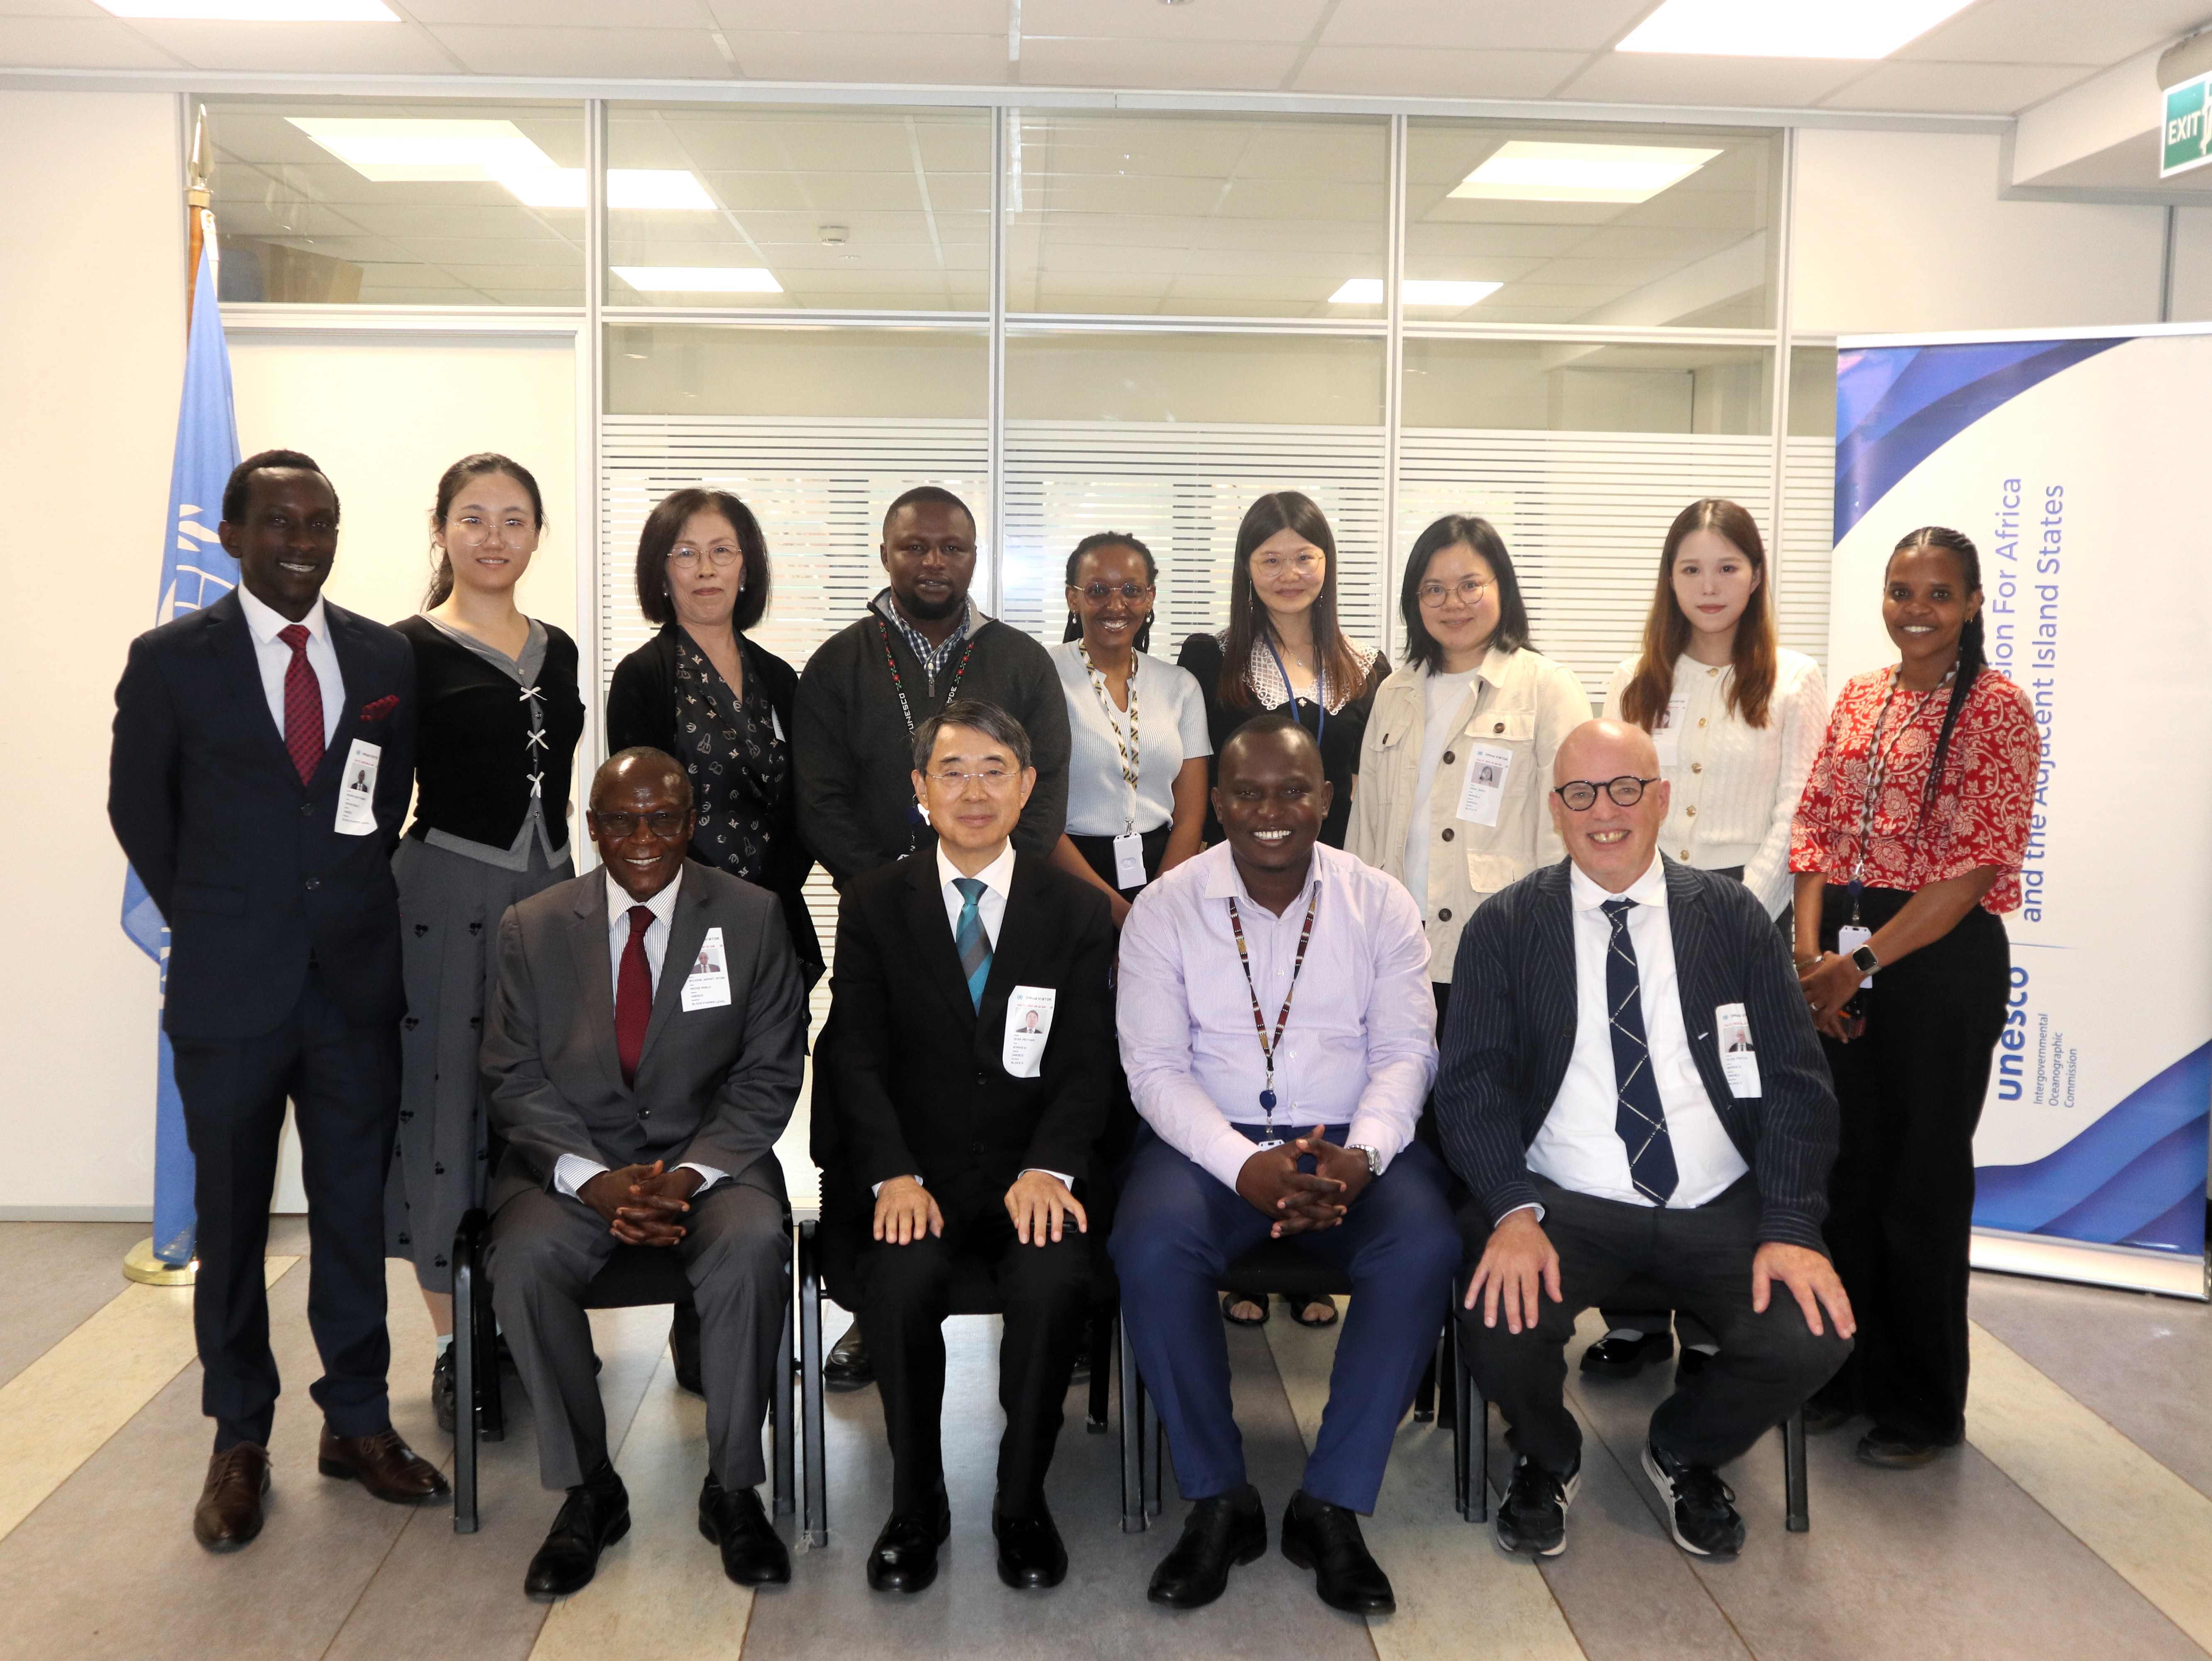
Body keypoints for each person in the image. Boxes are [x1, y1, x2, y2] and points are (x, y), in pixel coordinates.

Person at [108, 449, 447, 1552]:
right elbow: (139, 813)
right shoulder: (172, 662)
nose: (304, 544)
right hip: (231, 990)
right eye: (282, 525)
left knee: (352, 1214)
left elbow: (379, 801)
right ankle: (237, 1438)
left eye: (324, 525)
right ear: (234, 536)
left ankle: (354, 1420)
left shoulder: (382, 653)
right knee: (236, 1219)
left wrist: (322, 912)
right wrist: (217, 919)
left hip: (351, 989)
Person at [1438, 720, 1853, 1563]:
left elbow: (1799, 1084)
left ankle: (1687, 1446)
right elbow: (1471, 1084)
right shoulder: (1507, 926)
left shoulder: (1732, 918)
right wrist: (1513, 1210)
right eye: (1581, 793)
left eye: (1626, 787)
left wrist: (1792, 1227)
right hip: (1565, 1199)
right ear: (1556, 810)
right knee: (1496, 1309)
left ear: (1662, 798)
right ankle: (1547, 1454)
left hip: (1717, 1197)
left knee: (1813, 1330)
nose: (1605, 811)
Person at [1111, 716, 1456, 1617]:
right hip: (1206, 1142)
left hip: (1352, 1138)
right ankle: (1220, 1497)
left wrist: (1366, 1154)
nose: (1273, 811)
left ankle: (1331, 1502)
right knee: (1149, 1247)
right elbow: (1152, 1068)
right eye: (1251, 793)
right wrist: (1243, 1165)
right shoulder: (1165, 905)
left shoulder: (1379, 901)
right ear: (1218, 802)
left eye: (1294, 790)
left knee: (1422, 1246)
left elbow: (1407, 1051)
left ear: (1327, 799)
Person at [480, 748, 807, 1599]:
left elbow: (771, 1068)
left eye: (663, 816)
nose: (642, 836)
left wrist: (690, 1174)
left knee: (752, 1241)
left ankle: (733, 1488)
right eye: (620, 819)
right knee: (521, 1260)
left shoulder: (753, 916)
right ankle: (591, 1489)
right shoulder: (533, 925)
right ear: (592, 828)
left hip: (709, 1163)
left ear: (690, 822)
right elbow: (513, 1074)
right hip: (573, 1168)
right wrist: (595, 1182)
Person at [820, 700, 1116, 1595]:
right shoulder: (876, 902)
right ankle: (917, 1504)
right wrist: (892, 1174)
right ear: (919, 790)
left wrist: (1051, 1165)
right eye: (952, 771)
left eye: (996, 770)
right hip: (918, 1174)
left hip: (1034, 1174)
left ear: (1028, 786)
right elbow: (854, 1054)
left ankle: (1020, 1500)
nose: (975, 790)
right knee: (901, 1282)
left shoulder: (1075, 907)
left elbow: (1091, 1059)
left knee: (1053, 1277)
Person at [795, 485, 1072, 1390]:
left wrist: (989, 871)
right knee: (881, 1085)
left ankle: (1033, 1294)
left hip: (1007, 920)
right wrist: (899, 890)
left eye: (952, 547)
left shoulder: (1019, 658)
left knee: (1006, 1090)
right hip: (888, 924)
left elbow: (1046, 789)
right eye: (916, 546)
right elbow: (821, 795)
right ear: (887, 551)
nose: (934, 562)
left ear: (974, 554)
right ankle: (881, 1312)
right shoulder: (840, 662)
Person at [1790, 527, 2038, 1470]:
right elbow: (1814, 830)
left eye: (1939, 592)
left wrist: (1858, 968)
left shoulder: (1998, 710)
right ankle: (1839, 1378)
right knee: (1843, 1178)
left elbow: (1972, 870)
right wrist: (1814, 956)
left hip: (1935, 963)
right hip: (1842, 954)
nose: (1917, 609)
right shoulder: (1860, 695)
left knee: (1919, 1186)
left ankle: (1922, 1405)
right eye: (1901, 590)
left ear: (1973, 602)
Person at [1585, 498, 1829, 1383]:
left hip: (1738, 913)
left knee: (1729, 1103)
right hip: (1638, 906)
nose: (1710, 586)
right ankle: (1638, 1314)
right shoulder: (1632, 676)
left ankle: (1720, 1314)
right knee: (1640, 1088)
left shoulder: (1794, 679)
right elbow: (1609, 801)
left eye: (1727, 566)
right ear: (1670, 579)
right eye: (1691, 568)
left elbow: (1799, 813)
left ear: (1756, 574)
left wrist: (1730, 908)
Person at [382, 453, 584, 1433]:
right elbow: (372, 795)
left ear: (538, 534)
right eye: (473, 517)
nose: (494, 536)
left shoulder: (564, 650)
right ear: (442, 531)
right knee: (447, 1108)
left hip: (550, 898)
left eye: (513, 519)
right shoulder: (404, 650)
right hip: (444, 895)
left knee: (536, 1108)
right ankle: (461, 1340)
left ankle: (528, 1309)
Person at [1346, 512, 1588, 1036]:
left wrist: (1555, 943)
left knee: (1488, 1107)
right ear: (1415, 601)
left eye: (1470, 585)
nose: (1452, 603)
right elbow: (1364, 828)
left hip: (1501, 948)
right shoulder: (1394, 692)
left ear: (1503, 587)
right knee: (1406, 1109)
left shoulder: (1547, 687)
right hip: (1397, 952)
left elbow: (1568, 832)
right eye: (1434, 589)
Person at [605, 487, 820, 986]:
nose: (706, 569)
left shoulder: (780, 678)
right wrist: (716, 899)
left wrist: (766, 897)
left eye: (722, 551)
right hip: (680, 913)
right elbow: (645, 816)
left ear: (745, 571)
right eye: (685, 553)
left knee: (771, 1057)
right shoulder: (643, 677)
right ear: (662, 572)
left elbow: (806, 804)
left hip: (774, 911)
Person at [1178, 491, 1387, 854]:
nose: (1290, 575)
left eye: (1305, 558)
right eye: (1271, 560)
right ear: (1247, 567)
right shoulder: (1208, 660)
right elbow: (1190, 787)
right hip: (1235, 866)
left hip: (1338, 869)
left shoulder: (1366, 669)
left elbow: (1372, 790)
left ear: (1327, 563)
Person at [1046, 532, 1210, 925]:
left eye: (1132, 590)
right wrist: (1121, 915)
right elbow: (1036, 814)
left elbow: (1190, 817)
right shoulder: (1042, 676)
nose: (1116, 605)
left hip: (1163, 880)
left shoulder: (1181, 685)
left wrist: (1154, 909)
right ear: (1073, 597)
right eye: (1098, 590)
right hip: (1067, 877)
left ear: (1150, 598)